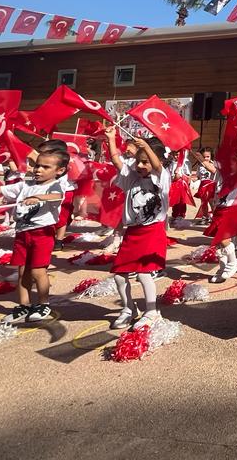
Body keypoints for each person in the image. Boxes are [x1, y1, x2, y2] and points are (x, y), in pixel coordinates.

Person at [0, 150, 69, 323]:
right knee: (23, 272)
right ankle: (24, 306)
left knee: (39, 271)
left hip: (42, 233)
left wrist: (38, 197)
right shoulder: (25, 184)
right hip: (22, 234)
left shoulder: (56, 185)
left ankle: (43, 304)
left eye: (46, 167)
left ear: (59, 170)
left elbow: (57, 196)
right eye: (37, 165)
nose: (39, 170)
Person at [104, 127, 171, 330]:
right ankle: (128, 308)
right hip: (133, 232)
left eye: (145, 161)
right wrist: (111, 139)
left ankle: (152, 311)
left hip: (152, 231)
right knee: (119, 274)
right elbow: (117, 162)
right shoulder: (132, 178)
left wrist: (147, 148)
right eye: (138, 161)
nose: (140, 165)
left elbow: (158, 166)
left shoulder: (162, 177)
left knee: (143, 273)